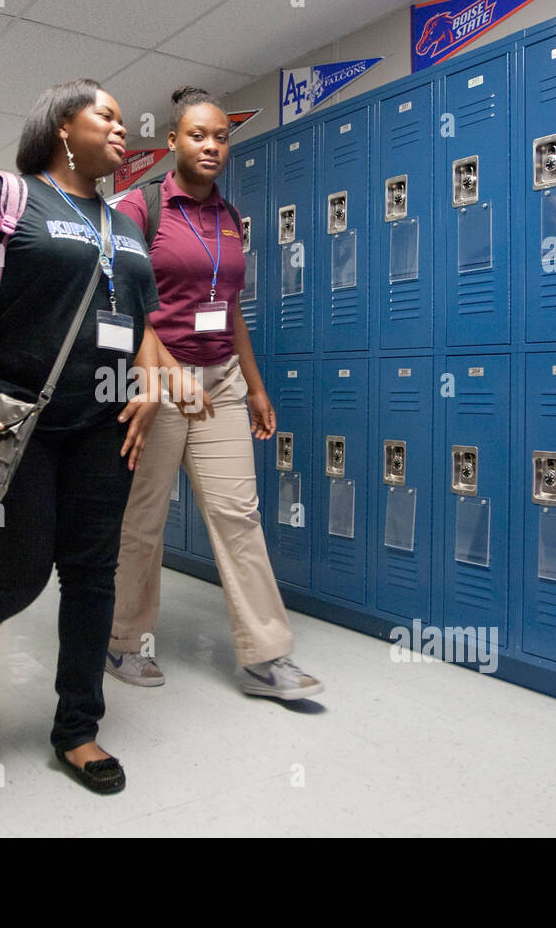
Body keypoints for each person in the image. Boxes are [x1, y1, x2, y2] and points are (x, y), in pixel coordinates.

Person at [0, 79, 163, 794]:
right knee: (23, 567)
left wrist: (148, 381)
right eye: (107, 116)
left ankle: (78, 728)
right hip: (17, 416)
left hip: (105, 423)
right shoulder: (6, 198)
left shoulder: (125, 222)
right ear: (63, 125)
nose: (123, 128)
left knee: (92, 573)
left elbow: (140, 320)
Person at [108, 86, 325, 700]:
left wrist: (254, 385)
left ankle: (266, 657)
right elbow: (121, 299)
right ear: (172, 141)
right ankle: (124, 641)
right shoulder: (139, 207)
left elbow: (229, 311)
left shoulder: (228, 219)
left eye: (221, 137)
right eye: (198, 135)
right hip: (156, 377)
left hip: (220, 379)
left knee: (238, 514)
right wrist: (165, 370)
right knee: (145, 519)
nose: (211, 146)